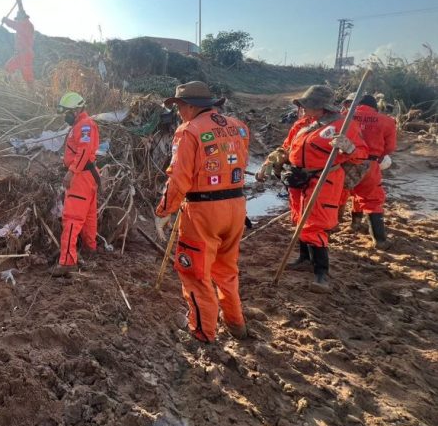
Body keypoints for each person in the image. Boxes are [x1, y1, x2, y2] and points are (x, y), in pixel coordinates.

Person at [154, 81, 250, 343]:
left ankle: (202, 332)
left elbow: (179, 179)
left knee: (194, 273)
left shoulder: (189, 131)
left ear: (190, 106)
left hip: (202, 212)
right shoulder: (238, 127)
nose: (179, 112)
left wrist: (164, 210)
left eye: (180, 106)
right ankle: (235, 323)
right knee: (226, 271)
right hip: (237, 207)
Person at [272, 85, 367, 293]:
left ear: (322, 107)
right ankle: (304, 259)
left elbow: (361, 154)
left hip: (324, 178)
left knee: (315, 223)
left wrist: (348, 147)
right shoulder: (303, 124)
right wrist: (278, 159)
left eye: (307, 105)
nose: (303, 109)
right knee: (299, 219)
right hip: (298, 178)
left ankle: (321, 273)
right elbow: (288, 147)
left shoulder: (343, 125)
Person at [339, 93, 397, 247]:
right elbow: (390, 147)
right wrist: (378, 155)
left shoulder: (344, 116)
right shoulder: (388, 121)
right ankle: (379, 240)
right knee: (371, 200)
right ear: (375, 106)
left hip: (344, 163)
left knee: (338, 195)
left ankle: (338, 227)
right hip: (370, 164)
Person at [55, 91, 100, 275]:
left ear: (78, 109)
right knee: (89, 217)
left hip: (81, 176)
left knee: (72, 219)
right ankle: (90, 249)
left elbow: (83, 151)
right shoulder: (81, 125)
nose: (65, 115)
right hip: (89, 176)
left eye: (68, 111)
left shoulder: (85, 125)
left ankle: (67, 262)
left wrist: (71, 172)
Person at [2, 0, 35, 87]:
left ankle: (31, 93)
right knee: (8, 67)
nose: (18, 20)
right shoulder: (23, 24)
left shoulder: (26, 25)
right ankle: (8, 87)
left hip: (26, 54)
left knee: (27, 75)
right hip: (20, 54)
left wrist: (6, 21)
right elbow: (19, 20)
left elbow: (16, 25)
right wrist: (19, 2)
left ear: (23, 18)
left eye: (19, 19)